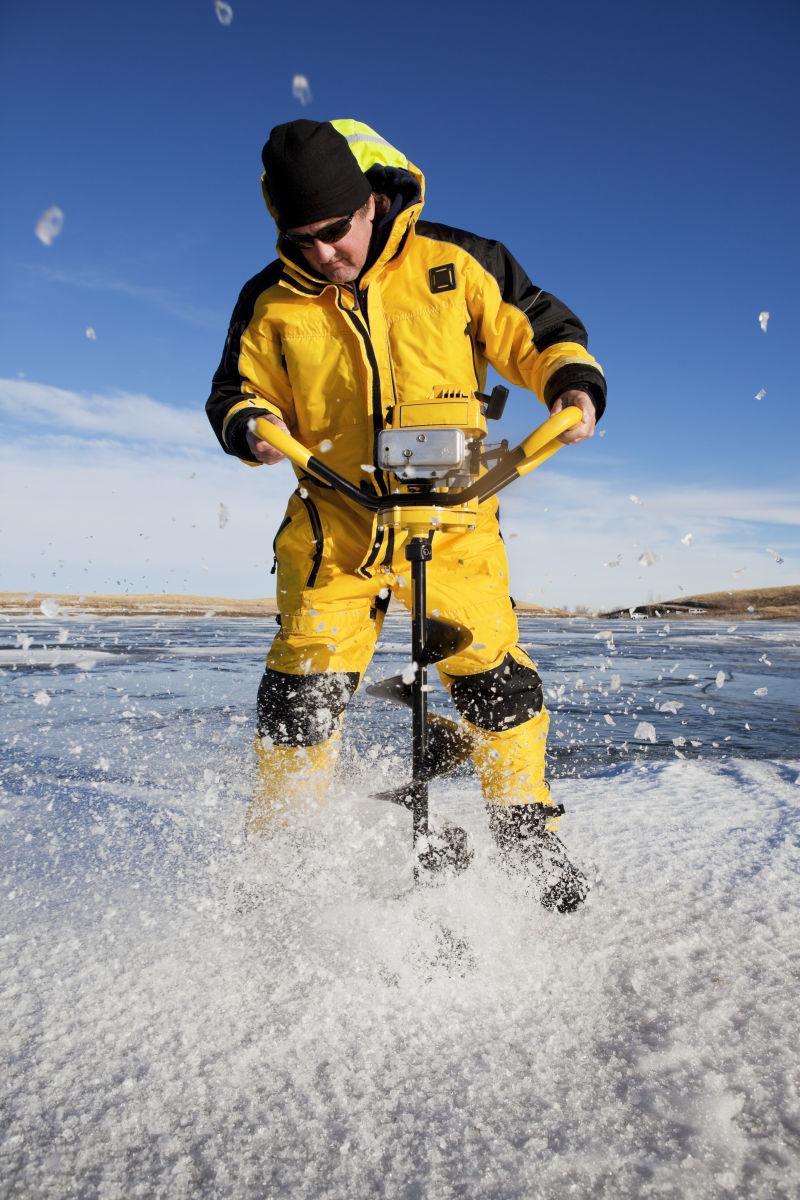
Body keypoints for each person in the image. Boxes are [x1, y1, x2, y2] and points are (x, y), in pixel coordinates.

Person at [206, 119, 606, 912]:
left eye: (335, 231)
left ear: (370, 201)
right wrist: (249, 426)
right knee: (299, 701)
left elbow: (542, 328)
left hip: (454, 524)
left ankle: (526, 830)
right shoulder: (271, 298)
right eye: (301, 237)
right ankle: (282, 868)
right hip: (335, 530)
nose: (324, 253)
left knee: (496, 687)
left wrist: (570, 384)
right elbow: (234, 389)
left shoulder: (456, 262)